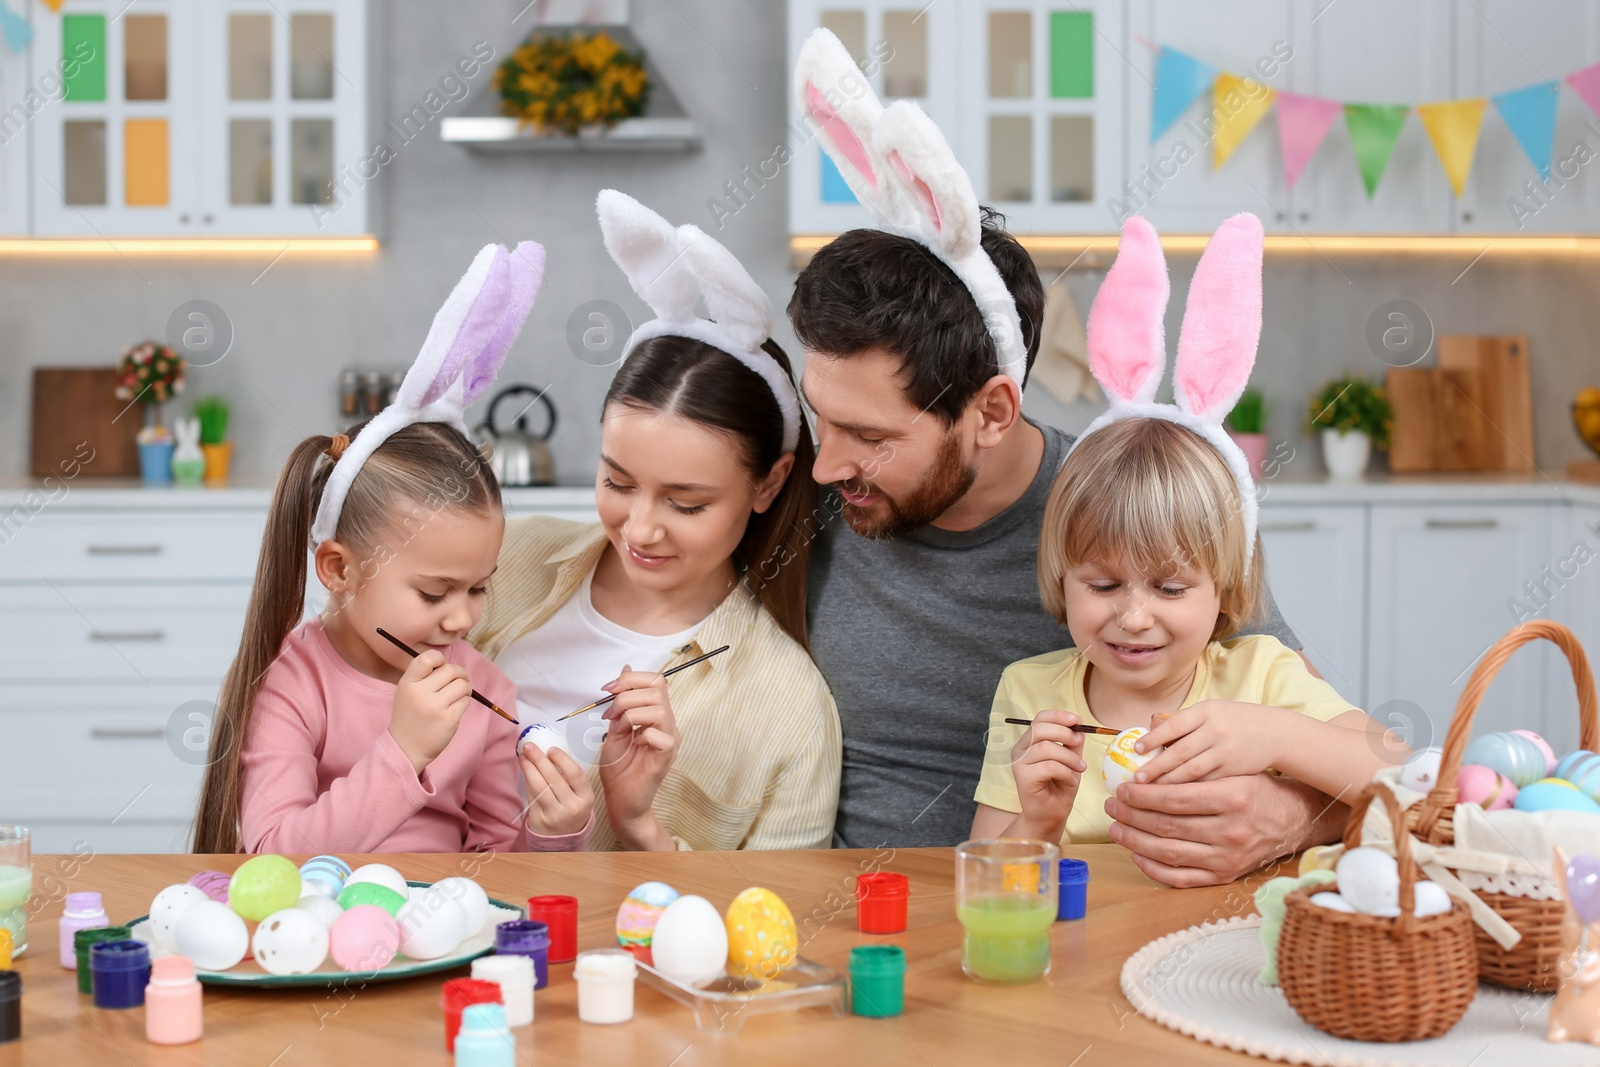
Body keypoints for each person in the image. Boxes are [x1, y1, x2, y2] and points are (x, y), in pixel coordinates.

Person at [787, 27, 1344, 885]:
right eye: (822, 420)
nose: (826, 466)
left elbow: (1341, 756)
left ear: (991, 412)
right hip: (875, 916)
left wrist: (1286, 819)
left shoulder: (1125, 502)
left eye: (871, 437)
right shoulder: (809, 490)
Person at [972, 216, 1391, 848]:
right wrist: (1037, 822)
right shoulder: (1029, 692)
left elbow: (1410, 779)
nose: (1134, 618)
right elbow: (984, 875)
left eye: (1169, 588)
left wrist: (1275, 734)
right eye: (1104, 583)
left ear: (1224, 588)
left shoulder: (1263, 676)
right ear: (1063, 578)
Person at [192, 242, 596, 854]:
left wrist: (550, 832)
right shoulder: (291, 685)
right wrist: (402, 752)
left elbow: (499, 869)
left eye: (480, 586)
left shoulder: (484, 688)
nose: (462, 619)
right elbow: (273, 858)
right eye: (435, 592)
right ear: (339, 569)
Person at [469, 190, 840, 852]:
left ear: (770, 482)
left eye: (685, 502)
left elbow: (778, 928)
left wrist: (641, 825)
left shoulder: (787, 706)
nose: (639, 528)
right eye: (616, 481)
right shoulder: (502, 559)